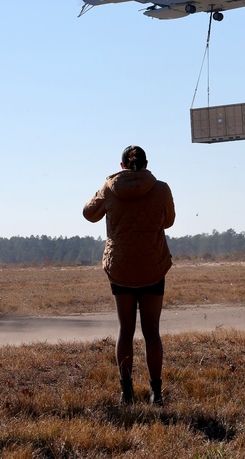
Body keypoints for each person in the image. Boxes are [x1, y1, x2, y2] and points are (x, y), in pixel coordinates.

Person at [83, 145, 175, 406]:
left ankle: (127, 391)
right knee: (152, 332)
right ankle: (156, 392)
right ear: (146, 164)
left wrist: (106, 186)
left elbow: (89, 214)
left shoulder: (110, 187)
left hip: (121, 267)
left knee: (125, 330)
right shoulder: (161, 188)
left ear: (122, 165)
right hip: (153, 264)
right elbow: (168, 221)